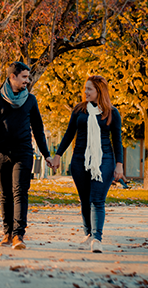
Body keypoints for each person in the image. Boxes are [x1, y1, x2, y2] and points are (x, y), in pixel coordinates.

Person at [47, 75, 125, 253]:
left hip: (104, 160)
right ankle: (88, 234)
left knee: (97, 199)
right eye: (85, 88)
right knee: (84, 200)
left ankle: (97, 238)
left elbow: (117, 141)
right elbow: (69, 134)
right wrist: (58, 155)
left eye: (89, 89)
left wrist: (119, 164)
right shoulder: (79, 110)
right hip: (79, 160)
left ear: (99, 91)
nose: (85, 92)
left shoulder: (112, 113)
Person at [0, 61, 51, 250]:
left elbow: (38, 129)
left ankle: (18, 235)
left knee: (20, 192)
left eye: (28, 77)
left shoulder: (30, 100)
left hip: (23, 152)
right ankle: (7, 233)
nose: (27, 81)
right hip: (1, 153)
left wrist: (46, 154)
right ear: (12, 77)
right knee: (5, 194)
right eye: (24, 77)